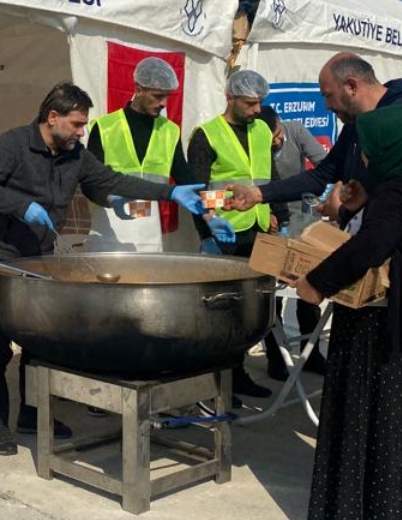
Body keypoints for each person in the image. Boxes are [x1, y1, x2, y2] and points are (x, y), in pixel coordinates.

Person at [0, 82, 207, 456]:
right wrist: (20, 206)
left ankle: (32, 415)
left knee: (37, 343)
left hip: (42, 260)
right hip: (0, 258)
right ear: (52, 118)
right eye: (77, 124)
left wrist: (170, 192)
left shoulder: (75, 155)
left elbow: (111, 180)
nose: (82, 132)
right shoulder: (13, 144)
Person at [293, 104, 402, 520]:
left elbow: (369, 247)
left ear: (392, 147)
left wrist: (316, 284)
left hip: (384, 328)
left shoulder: (396, 193)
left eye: (370, 149)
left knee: (378, 425)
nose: (364, 158)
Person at [225, 53, 402, 230]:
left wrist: (344, 210)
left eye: (328, 95)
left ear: (351, 86)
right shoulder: (355, 126)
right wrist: (257, 194)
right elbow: (322, 175)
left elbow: (400, 197)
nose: (326, 105)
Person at [187, 69, 288, 400]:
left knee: (253, 309)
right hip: (225, 234)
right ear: (230, 98)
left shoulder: (261, 129)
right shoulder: (207, 135)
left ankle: (239, 372)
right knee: (224, 313)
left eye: (260, 103)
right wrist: (207, 230)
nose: (258, 110)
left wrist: (280, 216)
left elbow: (270, 177)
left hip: (260, 228)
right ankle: (218, 381)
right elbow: (199, 189)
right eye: (251, 103)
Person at [85, 57, 225, 252]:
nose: (164, 104)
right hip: (109, 225)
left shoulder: (169, 131)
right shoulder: (104, 127)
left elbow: (188, 183)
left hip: (148, 232)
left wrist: (208, 226)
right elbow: (88, 182)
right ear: (139, 89)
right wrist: (109, 199)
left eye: (167, 97)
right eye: (158, 96)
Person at [257, 105, 329, 380]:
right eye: (269, 139)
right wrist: (273, 213)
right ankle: (276, 358)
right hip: (271, 219)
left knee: (309, 287)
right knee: (272, 292)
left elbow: (323, 164)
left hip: (301, 219)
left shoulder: (296, 131)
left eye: (276, 135)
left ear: (279, 123)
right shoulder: (256, 142)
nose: (274, 142)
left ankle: (311, 355)